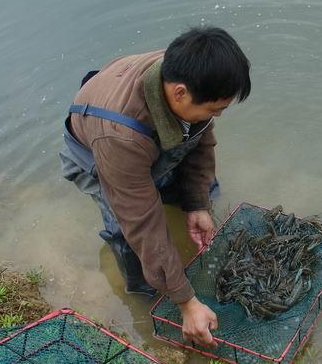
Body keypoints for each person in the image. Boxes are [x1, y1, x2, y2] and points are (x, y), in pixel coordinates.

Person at [59, 27, 251, 348]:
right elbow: (143, 223)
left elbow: (201, 136)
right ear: (179, 93)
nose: (216, 115)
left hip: (145, 137)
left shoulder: (190, 75)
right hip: (99, 153)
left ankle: (186, 221)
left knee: (198, 189)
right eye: (214, 108)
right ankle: (143, 294)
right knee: (128, 232)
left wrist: (197, 204)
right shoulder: (120, 138)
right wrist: (186, 302)